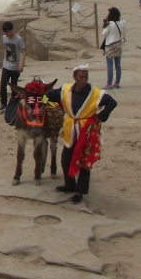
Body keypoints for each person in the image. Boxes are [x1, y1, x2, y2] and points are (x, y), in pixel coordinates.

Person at [46, 65, 118, 205]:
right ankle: (69, 185)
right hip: (70, 130)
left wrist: (99, 117)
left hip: (87, 131)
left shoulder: (95, 93)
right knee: (66, 159)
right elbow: (50, 96)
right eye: (81, 77)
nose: (84, 80)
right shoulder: (66, 90)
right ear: (75, 77)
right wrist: (39, 91)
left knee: (84, 161)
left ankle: (80, 191)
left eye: (85, 77)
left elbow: (112, 103)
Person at [0, 20, 25, 112]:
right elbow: (3, 48)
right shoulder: (4, 38)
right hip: (6, 66)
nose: (7, 34)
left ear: (12, 30)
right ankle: (3, 103)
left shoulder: (18, 39)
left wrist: (21, 65)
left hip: (15, 67)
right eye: (5, 32)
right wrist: (2, 60)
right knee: (3, 84)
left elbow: (23, 52)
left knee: (14, 86)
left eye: (8, 32)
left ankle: (14, 103)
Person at [100, 8, 126, 89]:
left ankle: (109, 83)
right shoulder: (122, 22)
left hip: (110, 45)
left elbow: (103, 33)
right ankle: (117, 82)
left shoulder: (110, 24)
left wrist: (105, 24)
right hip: (118, 44)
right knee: (118, 65)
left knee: (110, 66)